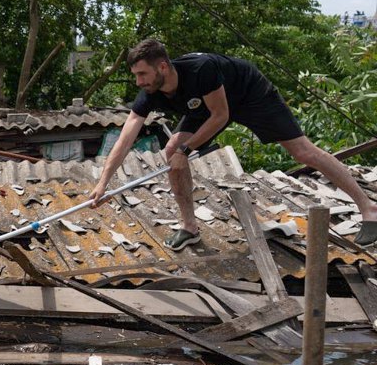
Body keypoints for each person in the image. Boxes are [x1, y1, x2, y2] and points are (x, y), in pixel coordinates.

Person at [89, 38, 377, 250]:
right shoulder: (150, 92)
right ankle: (189, 227)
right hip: (206, 105)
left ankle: (369, 209)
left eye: (142, 74)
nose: (139, 81)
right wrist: (103, 183)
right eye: (136, 75)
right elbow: (126, 137)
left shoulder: (200, 69)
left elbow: (221, 115)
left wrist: (186, 151)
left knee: (302, 151)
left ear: (162, 66)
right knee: (170, 153)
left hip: (249, 94)